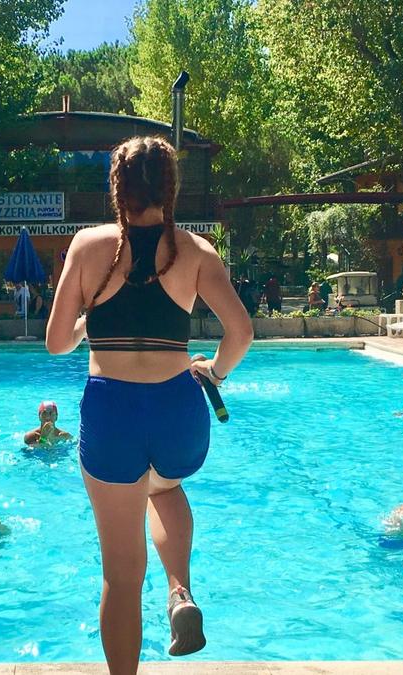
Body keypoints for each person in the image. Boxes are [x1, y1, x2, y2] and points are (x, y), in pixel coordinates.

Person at [45, 136, 253, 670]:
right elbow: (241, 332)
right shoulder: (196, 251)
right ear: (169, 187)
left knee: (121, 575)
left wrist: (90, 321)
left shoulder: (88, 246)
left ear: (117, 188)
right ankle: (180, 590)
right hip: (178, 411)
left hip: (112, 412)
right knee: (164, 484)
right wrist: (215, 372)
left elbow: (56, 342)